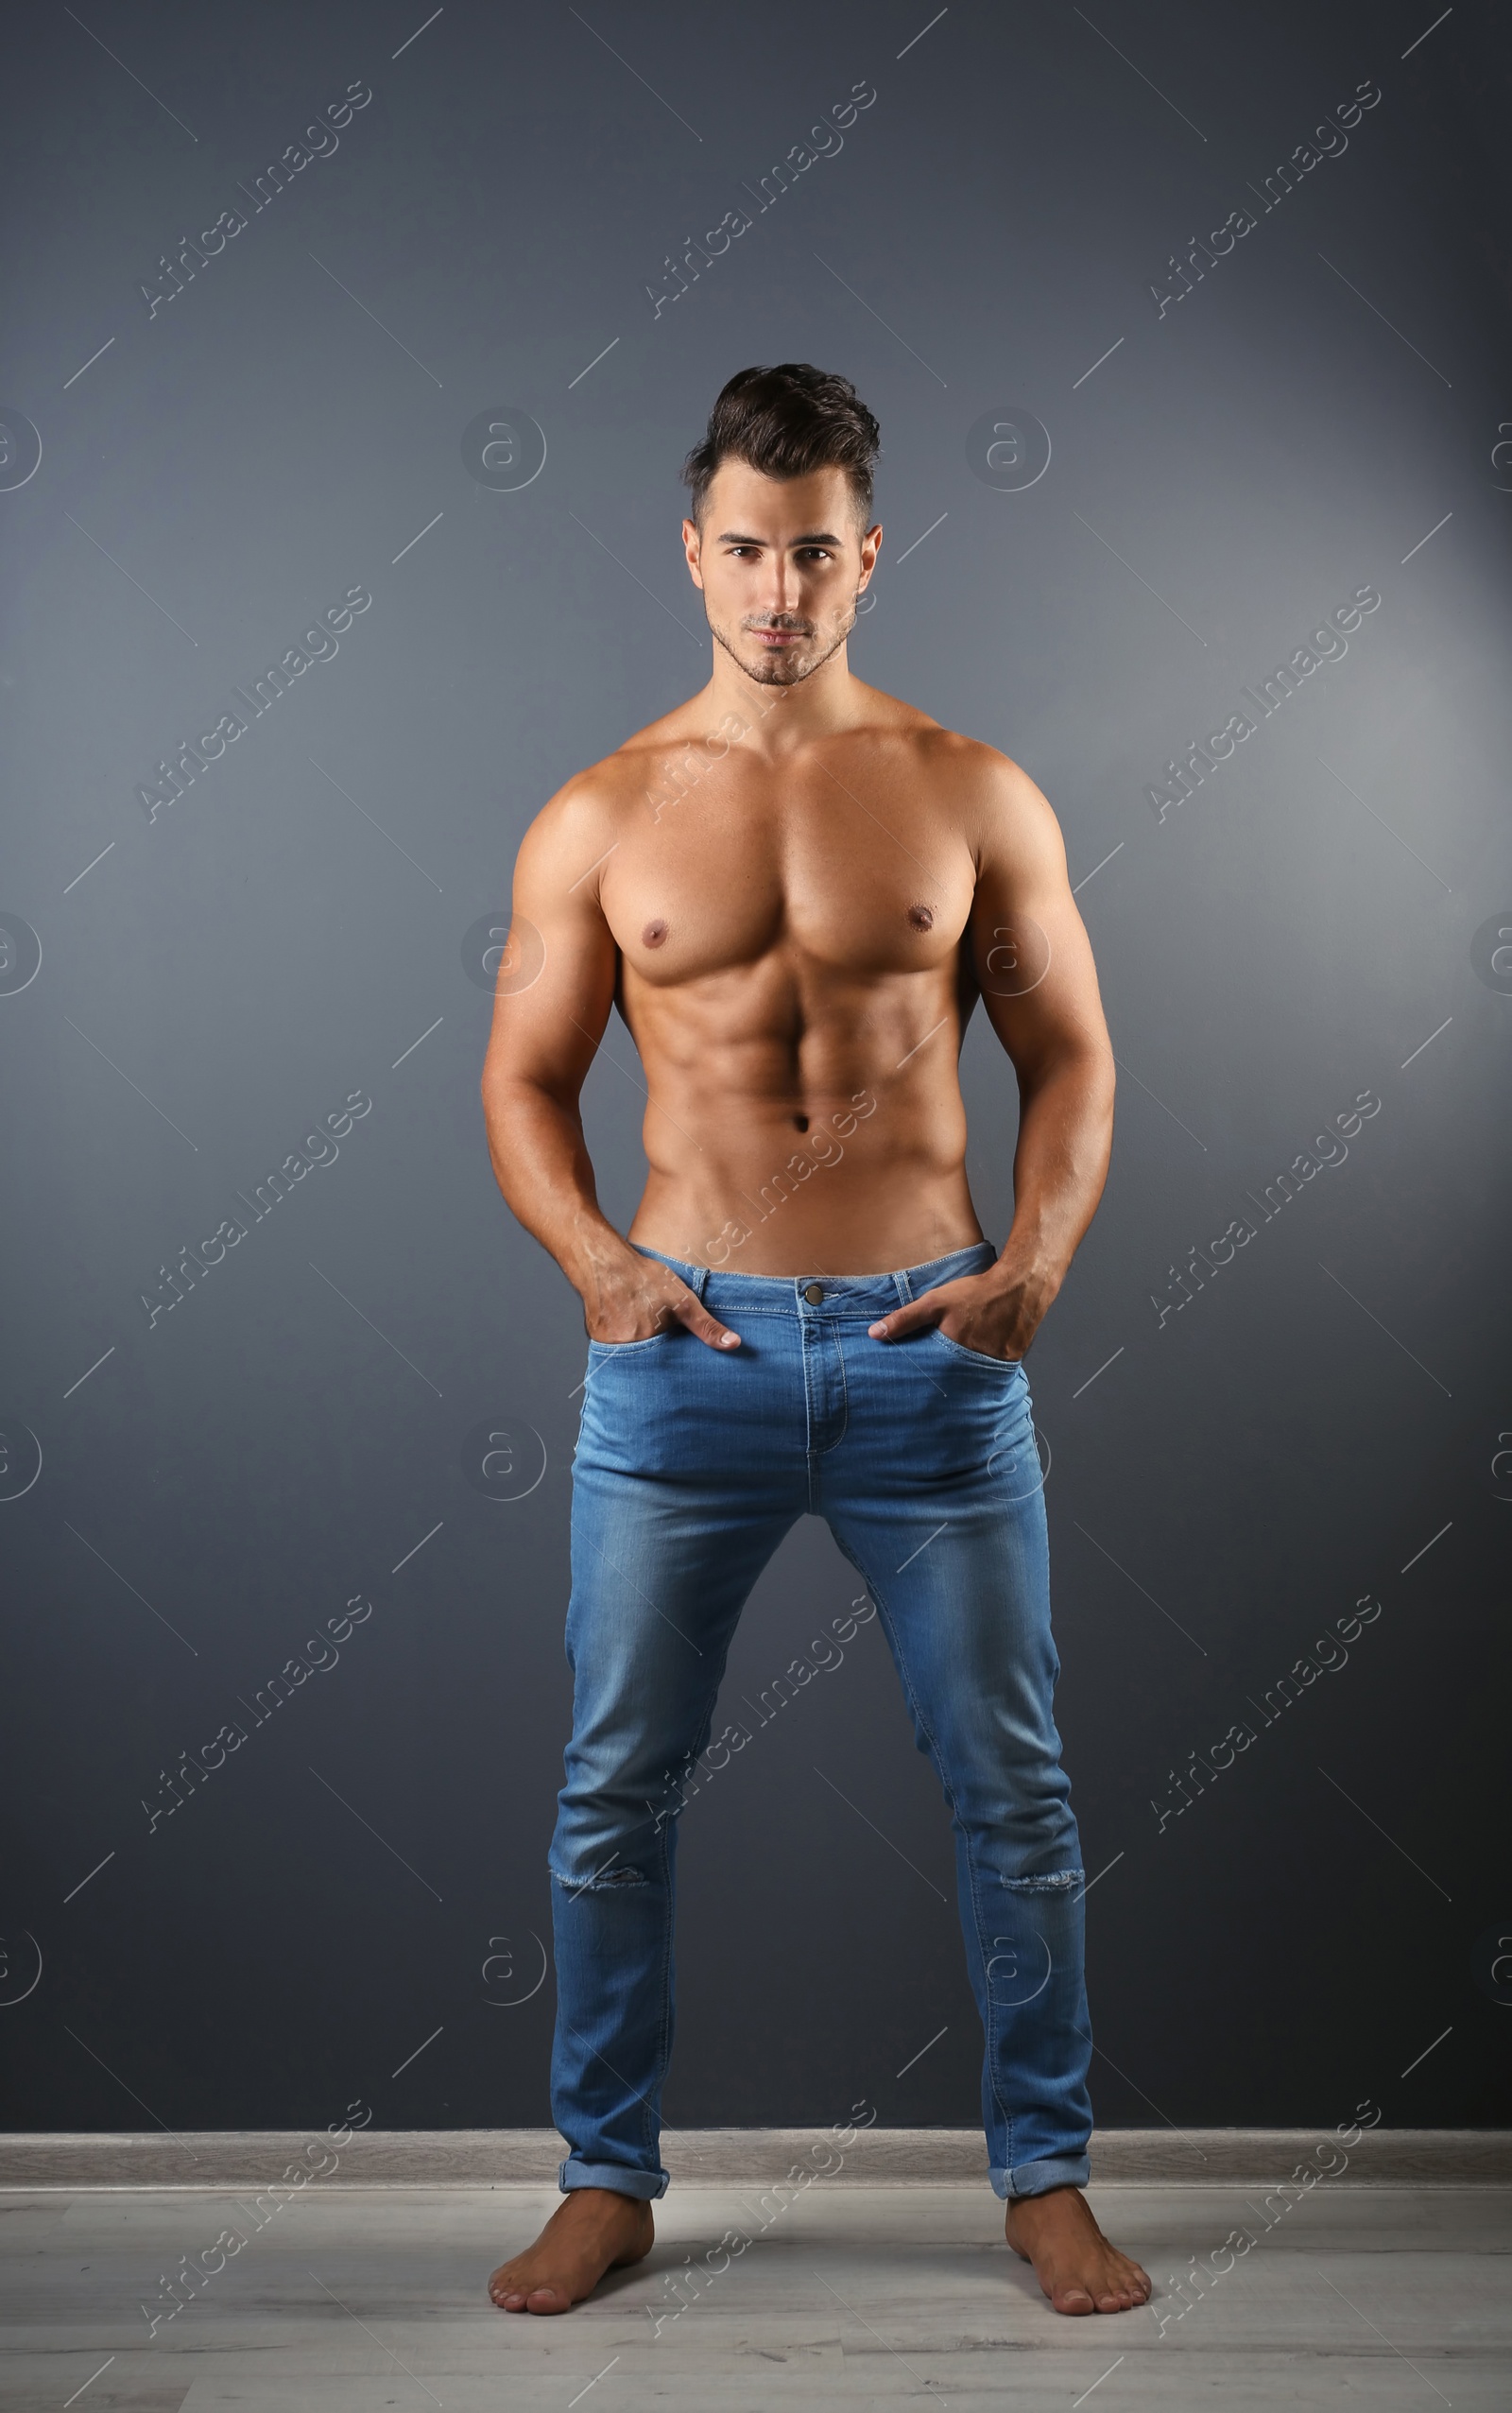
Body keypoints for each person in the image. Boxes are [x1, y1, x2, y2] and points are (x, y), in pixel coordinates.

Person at [479, 364, 1149, 2319]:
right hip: (676, 1354)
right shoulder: (598, 813)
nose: (779, 589)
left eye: (815, 551)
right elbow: (522, 1084)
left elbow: (1072, 1058)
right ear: (697, 551)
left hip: (929, 1357)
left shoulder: (967, 791)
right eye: (748, 550)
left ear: (870, 552)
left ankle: (1043, 2178)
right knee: (614, 1778)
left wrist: (1031, 1264)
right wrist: (598, 1265)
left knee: (1011, 1781)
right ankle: (605, 2175)